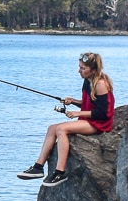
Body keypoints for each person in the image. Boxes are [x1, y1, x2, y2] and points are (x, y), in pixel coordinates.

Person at [17, 52, 115, 187]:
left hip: (100, 123)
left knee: (61, 129)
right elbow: (91, 103)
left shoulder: (100, 84)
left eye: (83, 68)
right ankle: (38, 167)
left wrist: (77, 114)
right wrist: (73, 101)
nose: (79, 71)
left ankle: (60, 172)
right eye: (79, 67)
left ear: (93, 70)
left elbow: (103, 113)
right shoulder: (88, 81)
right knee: (52, 128)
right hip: (90, 119)